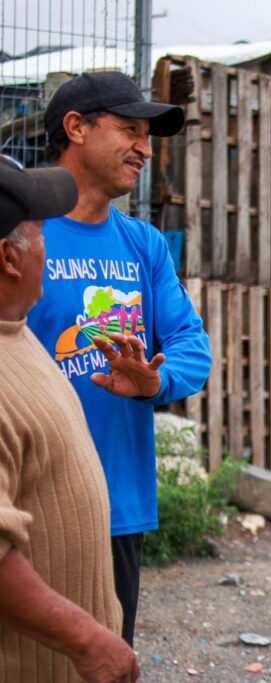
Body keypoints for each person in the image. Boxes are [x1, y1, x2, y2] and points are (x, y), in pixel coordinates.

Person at [27, 71, 211, 646]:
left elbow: (192, 346)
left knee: (109, 657)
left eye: (148, 135)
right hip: (31, 503)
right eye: (129, 129)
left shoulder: (144, 244)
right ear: (76, 128)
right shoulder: (20, 234)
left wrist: (153, 382)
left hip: (117, 502)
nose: (144, 148)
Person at [0, 155, 139, 681]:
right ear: (8, 259)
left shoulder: (17, 329)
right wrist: (85, 641)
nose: (48, 246)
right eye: (39, 231)